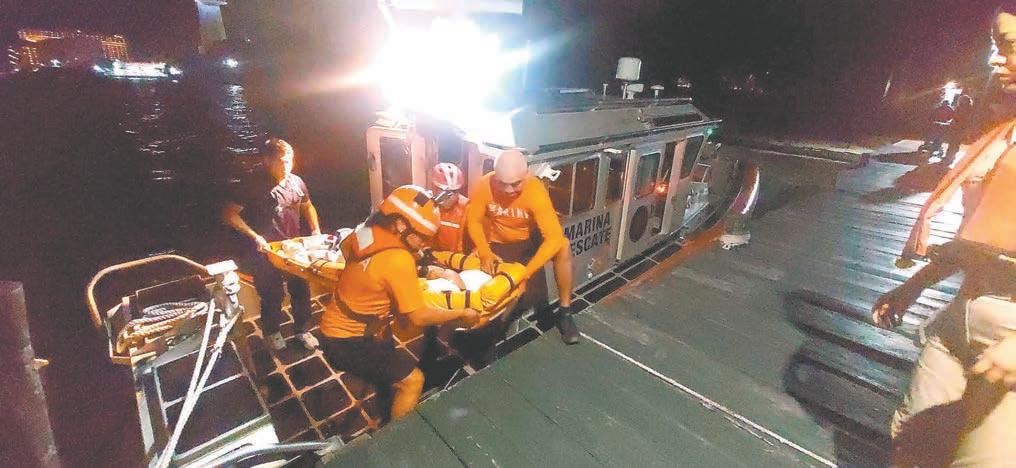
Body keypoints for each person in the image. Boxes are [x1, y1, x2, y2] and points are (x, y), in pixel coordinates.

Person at [875, 5, 1016, 465]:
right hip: (961, 319)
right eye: (996, 47)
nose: (996, 60)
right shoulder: (1002, 133)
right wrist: (914, 284)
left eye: (1010, 47)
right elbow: (979, 238)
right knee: (912, 445)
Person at [320, 185, 483, 420]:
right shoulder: (398, 259)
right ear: (399, 225)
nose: (425, 244)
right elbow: (418, 316)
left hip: (343, 325)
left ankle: (386, 407)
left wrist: (376, 284)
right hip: (348, 341)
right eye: (422, 237)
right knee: (413, 381)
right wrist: (462, 313)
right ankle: (398, 436)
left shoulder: (366, 230)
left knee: (388, 370)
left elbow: (348, 251)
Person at [465, 149, 580, 345]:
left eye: (516, 184)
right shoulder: (484, 185)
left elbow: (553, 237)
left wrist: (526, 274)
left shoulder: (535, 190)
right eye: (503, 183)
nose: (509, 190)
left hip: (528, 241)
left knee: (563, 245)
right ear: (495, 177)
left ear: (526, 175)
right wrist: (484, 251)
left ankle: (565, 311)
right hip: (499, 243)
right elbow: (473, 221)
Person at [222, 138, 321, 352]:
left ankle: (303, 330)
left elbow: (308, 206)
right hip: (264, 251)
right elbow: (229, 215)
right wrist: (255, 236)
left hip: (292, 249)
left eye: (290, 160)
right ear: (268, 161)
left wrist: (315, 232)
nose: (288, 165)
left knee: (301, 289)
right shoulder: (251, 185)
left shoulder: (297, 182)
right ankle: (272, 333)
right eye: (283, 161)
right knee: (272, 294)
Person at [430, 163, 469, 253]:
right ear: (434, 189)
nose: (450, 197)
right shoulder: (426, 204)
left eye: (454, 191)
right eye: (444, 192)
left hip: (457, 258)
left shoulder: (467, 208)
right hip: (432, 257)